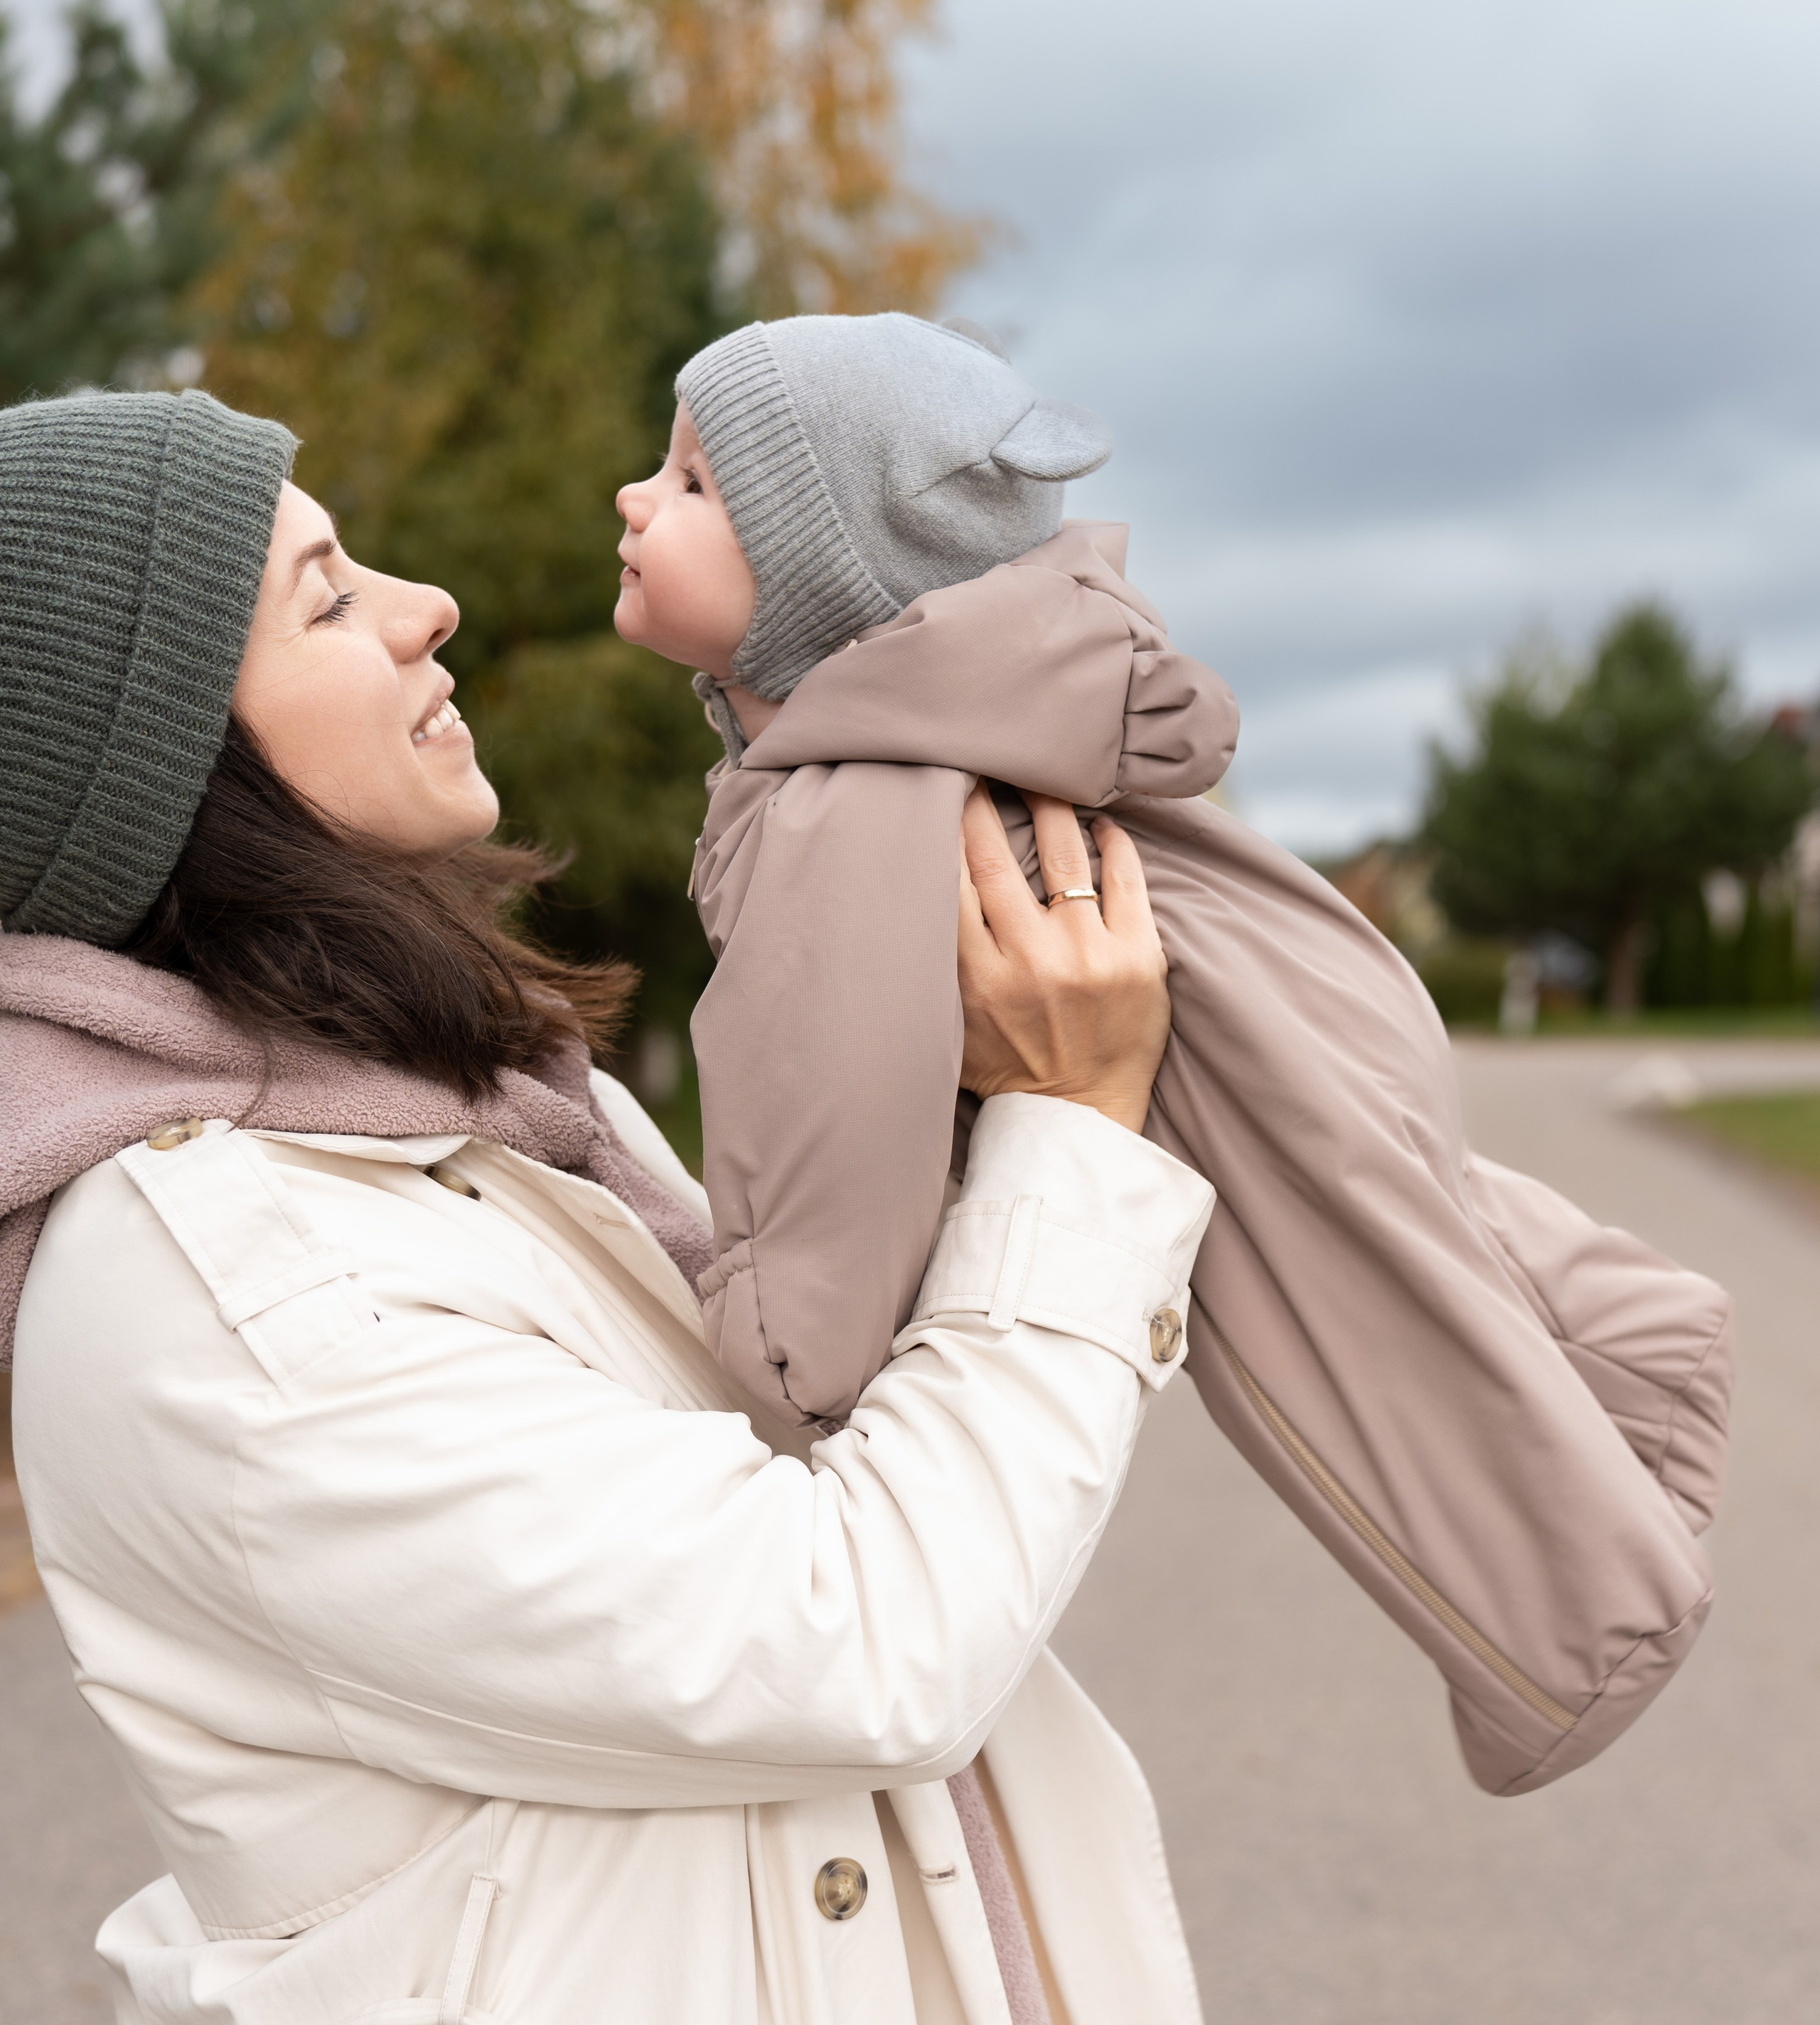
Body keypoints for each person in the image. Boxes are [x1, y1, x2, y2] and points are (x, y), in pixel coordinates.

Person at [0, 386, 1213, 2025]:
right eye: (331, 597)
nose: (429, 610)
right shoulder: (236, 1299)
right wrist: (1069, 1132)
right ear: (164, 772)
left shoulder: (482, 1115)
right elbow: (855, 1637)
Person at [615, 311, 1734, 1798]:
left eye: (694, 484)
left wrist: (772, 1349)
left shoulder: (846, 811)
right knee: (1418, 1232)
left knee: (1361, 1344)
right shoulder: (953, 731)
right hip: (1303, 1004)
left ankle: (1581, 1631)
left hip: (1228, 1050)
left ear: (819, 579)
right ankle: (1635, 1364)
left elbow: (826, 1121)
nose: (636, 499)